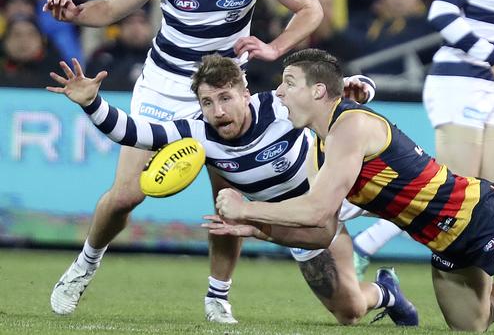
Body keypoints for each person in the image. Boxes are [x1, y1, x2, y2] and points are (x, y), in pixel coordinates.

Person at [206, 48, 494, 332]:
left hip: (480, 216)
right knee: (474, 325)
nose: (278, 94)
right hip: (444, 242)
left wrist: (248, 208)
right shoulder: (322, 148)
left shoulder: (352, 126)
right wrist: (256, 229)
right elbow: (322, 231)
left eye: (288, 84)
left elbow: (316, 206)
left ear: (319, 90)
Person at [45, 55, 418, 327]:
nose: (218, 110)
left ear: (245, 93)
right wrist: (92, 103)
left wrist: (361, 86)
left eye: (225, 98)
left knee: (424, 209)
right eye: (207, 102)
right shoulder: (196, 135)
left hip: (346, 193)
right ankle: (386, 292)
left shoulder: (280, 107)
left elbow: (329, 85)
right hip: (297, 221)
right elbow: (133, 132)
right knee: (348, 312)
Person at [43, 0, 323, 323]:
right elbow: (111, 9)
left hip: (222, 90)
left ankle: (218, 296)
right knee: (127, 195)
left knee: (228, 199)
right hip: (165, 85)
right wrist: (75, 13)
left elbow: (311, 8)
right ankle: (84, 265)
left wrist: (275, 48)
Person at [351, 0, 494, 279]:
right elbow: (442, 12)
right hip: (457, 83)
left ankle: (368, 240)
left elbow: (492, 26)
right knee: (452, 196)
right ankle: (364, 242)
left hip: (483, 85)